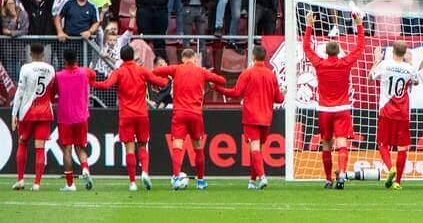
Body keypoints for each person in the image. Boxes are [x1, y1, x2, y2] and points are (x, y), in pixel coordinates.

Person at [91, 44, 170, 191]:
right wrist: (166, 73)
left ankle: (132, 182)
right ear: (133, 56)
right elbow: (162, 82)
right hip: (141, 114)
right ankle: (145, 172)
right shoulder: (142, 70)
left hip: (126, 115)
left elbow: (106, 85)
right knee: (142, 145)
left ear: (121, 57)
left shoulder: (119, 72)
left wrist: (92, 82)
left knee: (129, 149)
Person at [302, 11, 366, 189]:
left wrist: (309, 26)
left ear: (325, 52)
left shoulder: (320, 64)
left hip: (325, 110)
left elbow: (307, 48)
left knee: (326, 144)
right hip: (342, 109)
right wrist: (359, 24)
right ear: (338, 51)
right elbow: (360, 47)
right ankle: (343, 173)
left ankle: (328, 179)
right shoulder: (345, 63)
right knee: (342, 142)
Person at [153, 48, 227, 190]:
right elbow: (222, 80)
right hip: (195, 114)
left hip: (179, 114)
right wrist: (212, 82)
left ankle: (176, 178)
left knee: (177, 147)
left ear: (182, 59)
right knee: (198, 149)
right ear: (194, 59)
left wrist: (167, 75)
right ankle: (200, 181)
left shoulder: (176, 69)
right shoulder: (201, 71)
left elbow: (155, 72)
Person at [215, 44, 284, 189]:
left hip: (252, 116)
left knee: (254, 149)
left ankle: (262, 177)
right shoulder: (271, 74)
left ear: (253, 56)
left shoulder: (248, 73)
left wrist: (218, 89)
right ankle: (252, 181)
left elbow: (235, 93)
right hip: (266, 118)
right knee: (257, 149)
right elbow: (279, 99)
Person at [369, 40, 420, 189]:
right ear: (404, 53)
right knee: (402, 147)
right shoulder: (409, 68)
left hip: (386, 111)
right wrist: (410, 63)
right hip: (403, 112)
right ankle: (397, 181)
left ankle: (390, 167)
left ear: (392, 51)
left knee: (382, 144)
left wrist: (376, 61)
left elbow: (370, 77)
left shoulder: (384, 64)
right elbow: (416, 82)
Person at [10, 43, 55, 191]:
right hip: (44, 113)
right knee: (40, 148)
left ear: (30, 54)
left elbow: (20, 92)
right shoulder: (50, 69)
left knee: (22, 143)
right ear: (43, 55)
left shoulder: (25, 68)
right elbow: (52, 91)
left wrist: (14, 114)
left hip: (27, 112)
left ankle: (21, 180)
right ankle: (37, 183)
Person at [51, 49, 95, 191]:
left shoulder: (58, 76)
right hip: (81, 116)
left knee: (67, 150)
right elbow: (93, 75)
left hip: (65, 118)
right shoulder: (84, 72)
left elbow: (52, 95)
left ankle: (70, 184)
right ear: (76, 59)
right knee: (80, 147)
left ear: (64, 60)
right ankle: (85, 168)